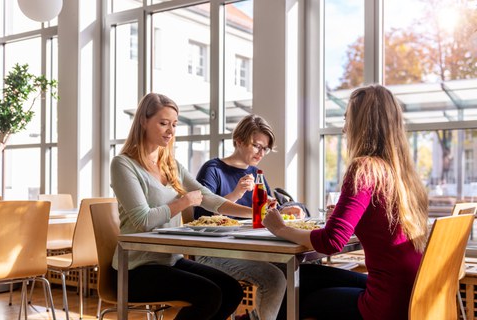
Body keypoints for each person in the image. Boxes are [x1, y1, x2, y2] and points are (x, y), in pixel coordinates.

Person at [264, 84, 428, 320]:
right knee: (306, 276)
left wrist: (280, 228)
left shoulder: (364, 168)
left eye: (347, 119)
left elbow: (332, 242)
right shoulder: (403, 173)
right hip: (411, 289)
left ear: (362, 124)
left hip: (385, 303)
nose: (344, 128)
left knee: (300, 297)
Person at [111, 92, 258, 320]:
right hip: (134, 269)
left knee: (231, 290)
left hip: (170, 260)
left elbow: (210, 198)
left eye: (174, 124)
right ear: (143, 121)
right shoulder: (123, 164)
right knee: (209, 295)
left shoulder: (171, 165)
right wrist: (184, 202)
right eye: (163, 123)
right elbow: (143, 221)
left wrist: (257, 212)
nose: (170, 131)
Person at [194, 114, 304, 320]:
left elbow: (267, 211)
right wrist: (236, 193)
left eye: (265, 148)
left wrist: (283, 210)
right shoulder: (213, 169)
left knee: (292, 265)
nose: (261, 153)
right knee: (274, 279)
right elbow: (199, 216)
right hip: (213, 252)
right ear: (239, 141)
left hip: (249, 248)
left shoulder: (256, 172)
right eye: (256, 146)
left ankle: (255, 317)